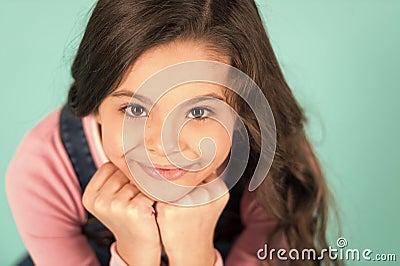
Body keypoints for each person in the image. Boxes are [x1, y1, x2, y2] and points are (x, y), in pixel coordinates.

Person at [6, 0, 337, 265]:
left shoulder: (275, 162)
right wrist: (135, 253)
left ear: (242, 109)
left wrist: (194, 256)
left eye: (198, 112)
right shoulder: (43, 172)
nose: (163, 146)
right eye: (135, 109)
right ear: (93, 103)